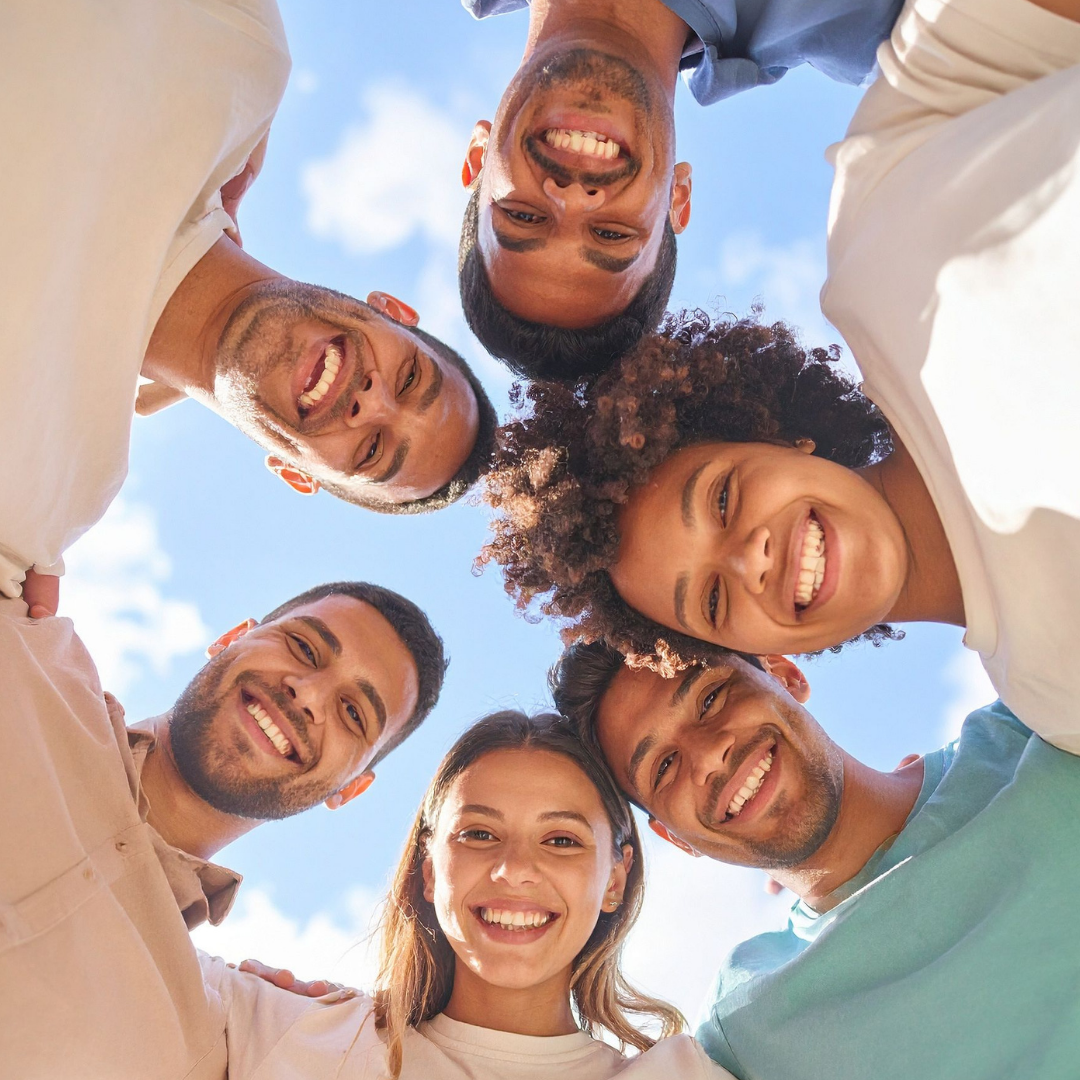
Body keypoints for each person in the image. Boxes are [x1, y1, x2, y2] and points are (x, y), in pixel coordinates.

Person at [0, 0, 498, 617]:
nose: (372, 402)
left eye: (372, 451)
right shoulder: (238, 54)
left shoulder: (40, 500)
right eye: (410, 377)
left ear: (297, 475)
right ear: (392, 308)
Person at [480, 308, 1079, 753]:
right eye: (713, 600)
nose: (749, 562)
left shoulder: (933, 311)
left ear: (780, 437)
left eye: (722, 499)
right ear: (770, 656)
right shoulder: (1057, 701)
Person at [552, 641, 1080, 1079]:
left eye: (711, 698)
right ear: (676, 840)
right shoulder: (743, 1031)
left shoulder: (1031, 733)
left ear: (784, 674)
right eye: (665, 765)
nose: (710, 756)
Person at [0, 580, 445, 1078]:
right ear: (232, 636)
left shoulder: (202, 1045)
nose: (310, 695)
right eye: (303, 647)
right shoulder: (21, 653)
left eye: (352, 713)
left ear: (349, 789)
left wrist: (343, 1034)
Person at [202, 711, 732, 1078]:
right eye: (479, 834)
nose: (515, 869)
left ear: (615, 879)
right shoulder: (289, 1031)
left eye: (561, 840)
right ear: (429, 869)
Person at [457, 0, 905, 381]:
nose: (573, 197)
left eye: (524, 217)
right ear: (678, 196)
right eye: (611, 234)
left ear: (478, 157)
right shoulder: (882, 29)